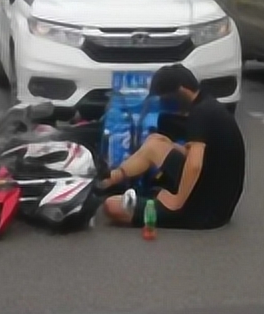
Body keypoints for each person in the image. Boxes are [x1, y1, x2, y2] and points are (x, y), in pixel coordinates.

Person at [100, 63, 245, 230]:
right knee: (156, 141)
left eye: (165, 98)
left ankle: (114, 188)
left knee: (112, 206)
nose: (164, 104)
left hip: (202, 211)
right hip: (218, 199)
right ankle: (109, 180)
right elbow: (207, 156)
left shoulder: (200, 115)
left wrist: (177, 200)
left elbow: (195, 164)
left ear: (181, 91)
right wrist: (170, 147)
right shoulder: (209, 106)